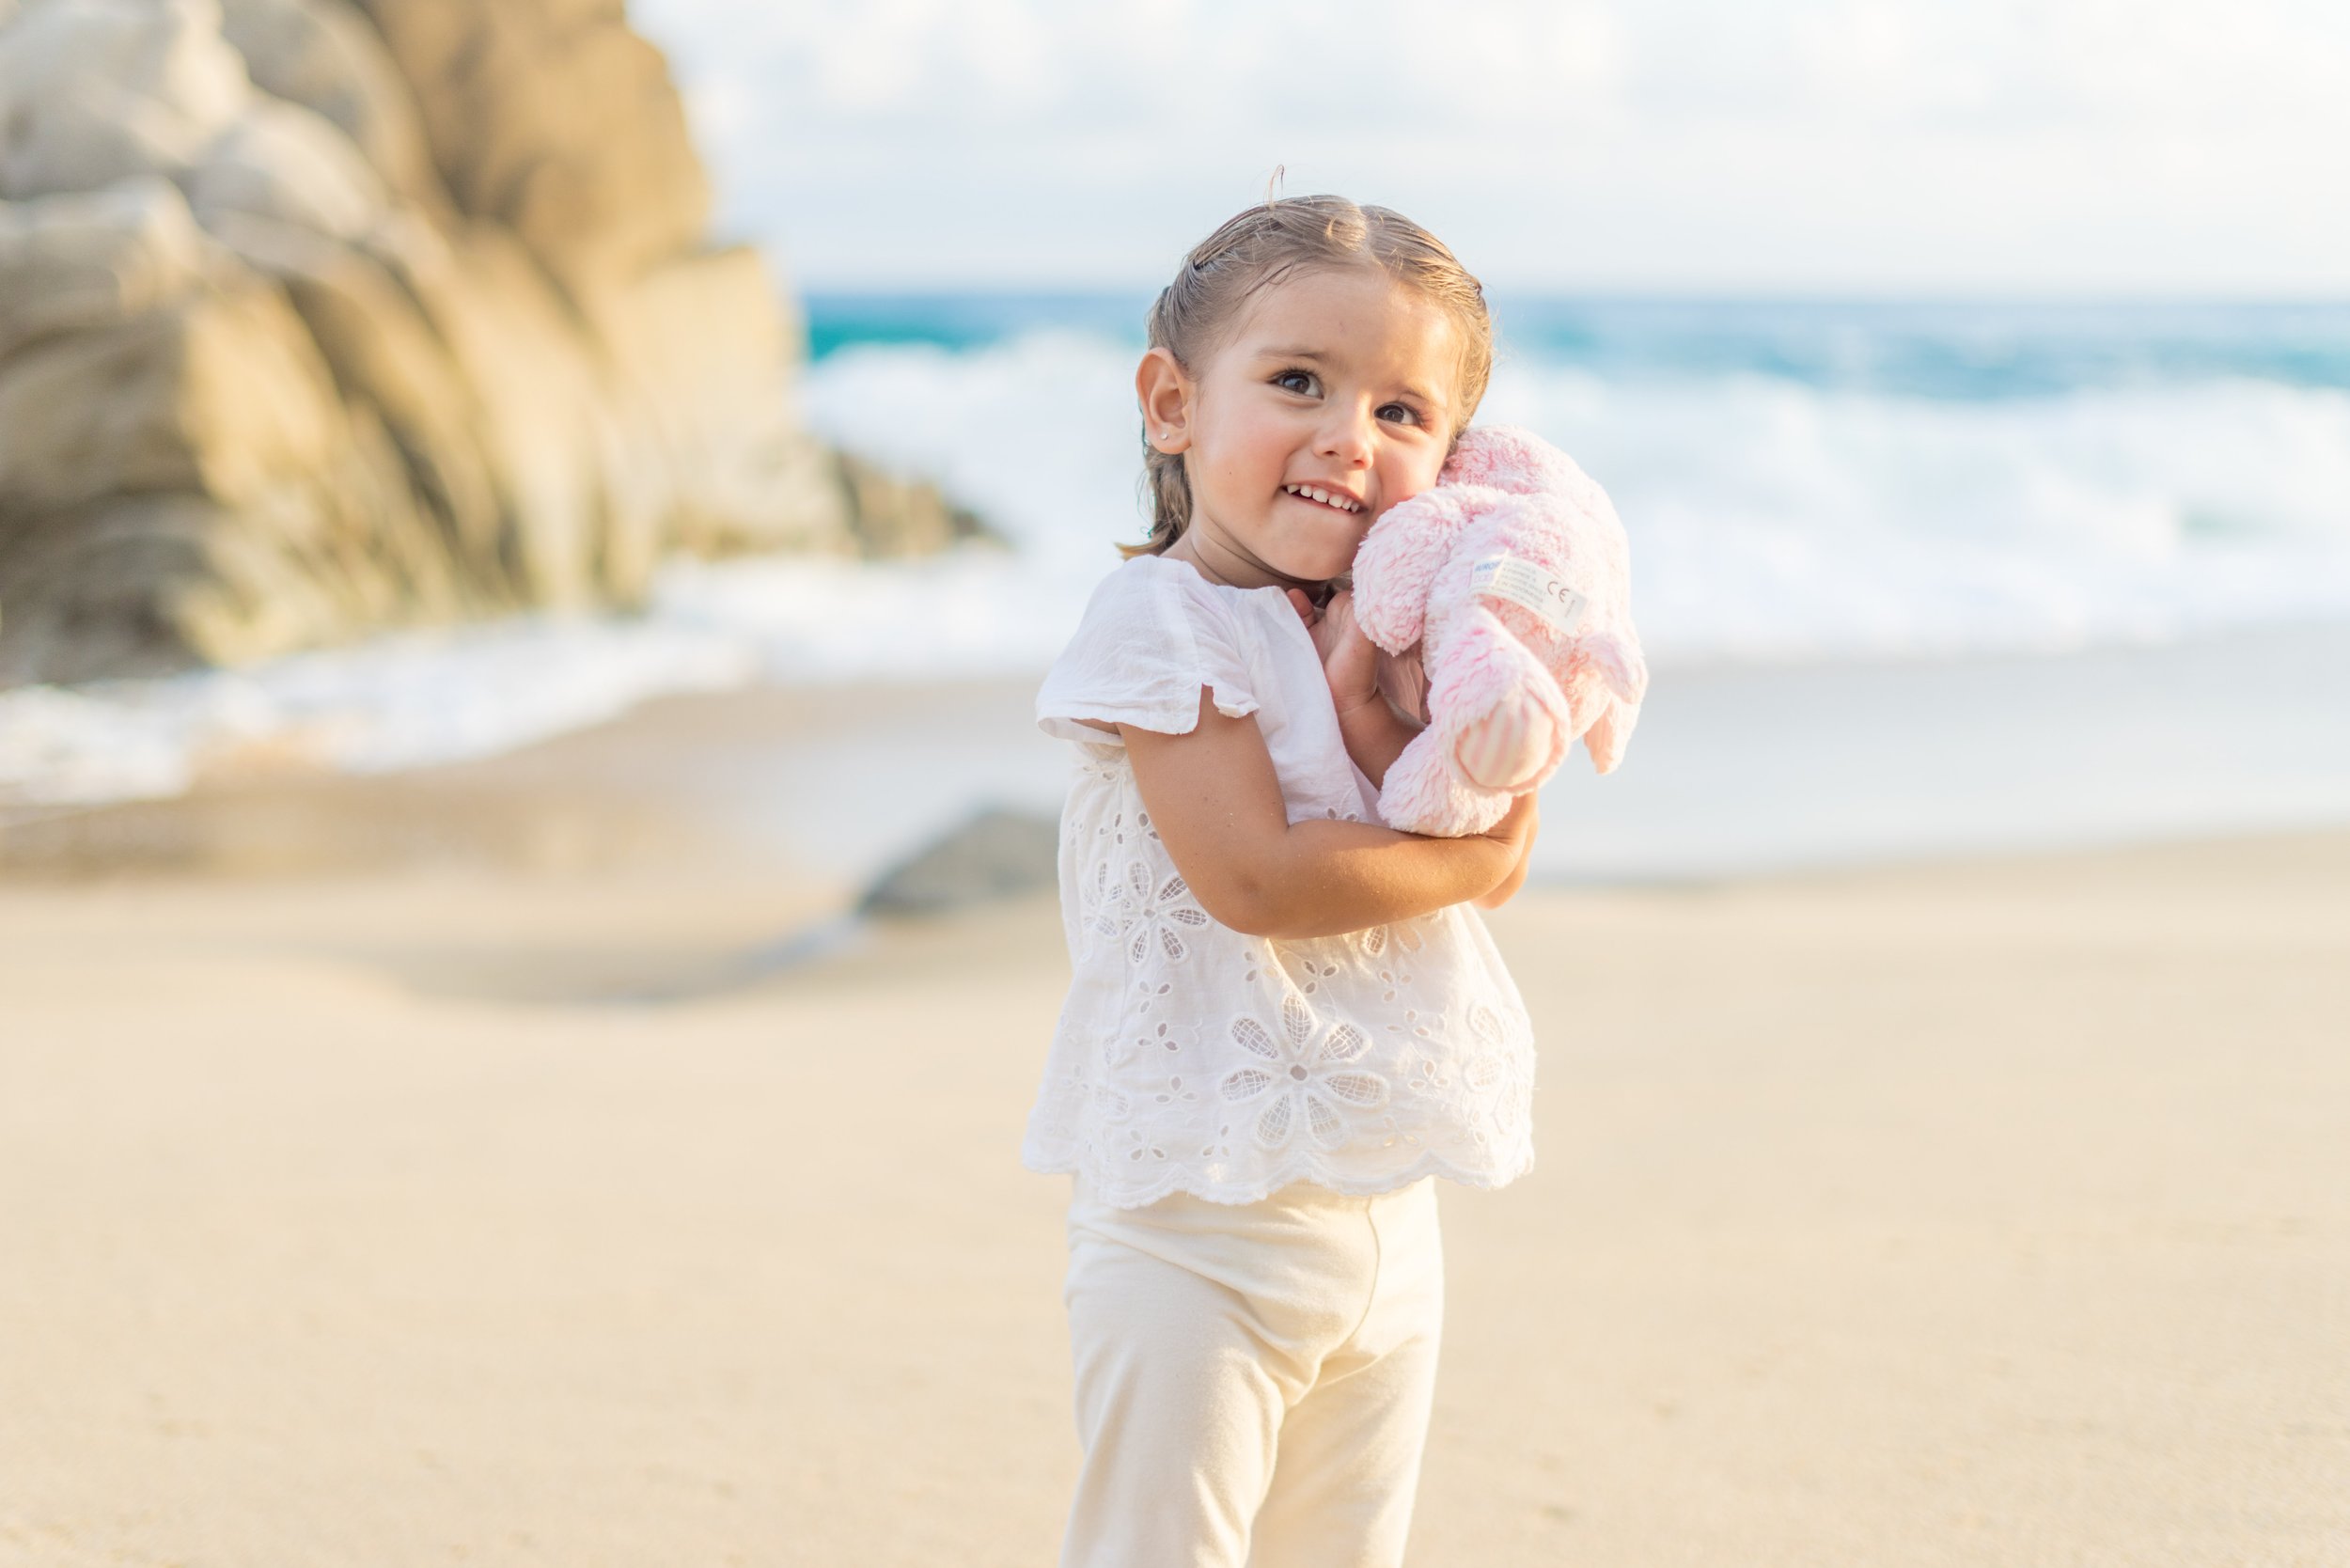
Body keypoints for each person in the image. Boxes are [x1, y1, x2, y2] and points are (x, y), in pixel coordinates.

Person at [1027, 194, 1540, 1568]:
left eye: (1401, 413)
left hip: (1384, 1209)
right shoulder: (1161, 622)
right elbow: (1256, 877)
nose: (1346, 439)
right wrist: (1477, 858)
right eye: (1299, 382)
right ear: (1173, 403)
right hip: (1198, 1231)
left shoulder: (1388, 647)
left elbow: (1468, 794)